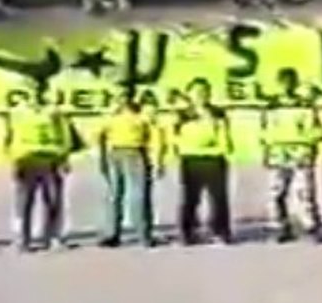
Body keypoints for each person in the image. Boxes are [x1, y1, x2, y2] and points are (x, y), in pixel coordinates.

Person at [2, 82, 81, 252]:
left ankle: (52, 238)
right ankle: (21, 240)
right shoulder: (18, 113)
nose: (36, 95)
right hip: (26, 160)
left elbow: (65, 136)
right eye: (32, 91)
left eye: (39, 91)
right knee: (23, 203)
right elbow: (10, 137)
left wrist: (64, 159)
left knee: (53, 201)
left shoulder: (56, 113)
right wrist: (13, 160)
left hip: (51, 160)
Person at [260, 67, 322, 243]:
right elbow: (265, 132)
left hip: (300, 153)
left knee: (305, 192)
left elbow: (317, 131)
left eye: (290, 82)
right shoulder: (272, 107)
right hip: (278, 154)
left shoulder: (305, 105)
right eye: (283, 82)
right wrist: (266, 152)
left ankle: (311, 227)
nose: (287, 86)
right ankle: (280, 227)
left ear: (296, 84)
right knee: (276, 193)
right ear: (278, 84)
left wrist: (309, 146)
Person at [96, 86, 164, 248]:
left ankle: (144, 234)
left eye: (125, 96)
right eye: (119, 97)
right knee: (114, 195)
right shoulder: (110, 116)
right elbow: (99, 137)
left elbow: (156, 138)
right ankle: (112, 234)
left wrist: (158, 160)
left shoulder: (143, 116)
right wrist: (101, 158)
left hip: (136, 153)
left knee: (139, 195)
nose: (123, 100)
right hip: (115, 153)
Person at [172, 78, 235, 246]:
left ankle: (220, 232)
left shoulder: (217, 113)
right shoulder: (183, 115)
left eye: (204, 91)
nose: (200, 95)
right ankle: (188, 232)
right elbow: (177, 138)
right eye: (196, 91)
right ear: (189, 94)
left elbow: (223, 137)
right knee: (190, 198)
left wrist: (218, 146)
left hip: (214, 159)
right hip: (191, 159)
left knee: (218, 198)